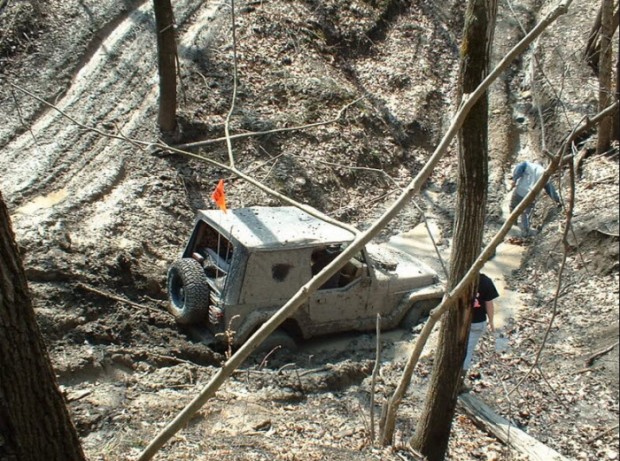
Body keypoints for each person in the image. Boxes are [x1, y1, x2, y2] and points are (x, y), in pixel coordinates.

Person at [459, 273, 499, 393]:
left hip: (459, 321)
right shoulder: (485, 281)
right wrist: (491, 321)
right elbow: (489, 304)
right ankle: (459, 382)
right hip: (477, 322)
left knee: (458, 347)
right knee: (468, 350)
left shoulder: (460, 277)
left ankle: (453, 376)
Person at [509, 160, 562, 237]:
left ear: (534, 162)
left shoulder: (528, 164)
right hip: (532, 195)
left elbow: (519, 167)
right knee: (526, 214)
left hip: (520, 191)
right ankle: (525, 232)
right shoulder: (545, 173)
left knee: (513, 206)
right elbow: (550, 190)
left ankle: (512, 223)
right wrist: (557, 200)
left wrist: (514, 180)